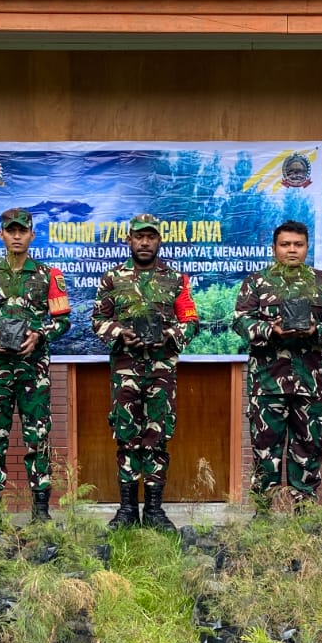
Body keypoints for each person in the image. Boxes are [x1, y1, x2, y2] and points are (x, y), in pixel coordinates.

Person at [90, 213, 199, 531]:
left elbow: (191, 321)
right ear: (130, 240)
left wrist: (170, 334)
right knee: (126, 438)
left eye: (151, 236)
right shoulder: (112, 278)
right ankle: (126, 511)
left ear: (159, 240)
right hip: (125, 370)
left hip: (161, 372)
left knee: (157, 439)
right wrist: (119, 332)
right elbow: (98, 319)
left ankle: (153, 511)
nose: (145, 242)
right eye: (139, 236)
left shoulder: (176, 279)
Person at [231, 220, 322, 512]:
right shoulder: (257, 282)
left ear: (307, 247)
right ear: (274, 248)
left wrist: (315, 331)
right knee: (265, 449)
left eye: (298, 244)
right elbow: (240, 321)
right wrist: (271, 331)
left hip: (309, 382)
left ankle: (304, 513)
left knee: (308, 448)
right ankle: (264, 513)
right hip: (267, 383)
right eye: (285, 245)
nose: (291, 250)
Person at [0, 208, 71, 523]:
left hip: (33, 372)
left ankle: (41, 513)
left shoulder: (48, 275)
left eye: (21, 231)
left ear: (31, 235)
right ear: (1, 235)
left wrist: (40, 335)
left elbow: (63, 320)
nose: (16, 235)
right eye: (10, 230)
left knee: (38, 439)